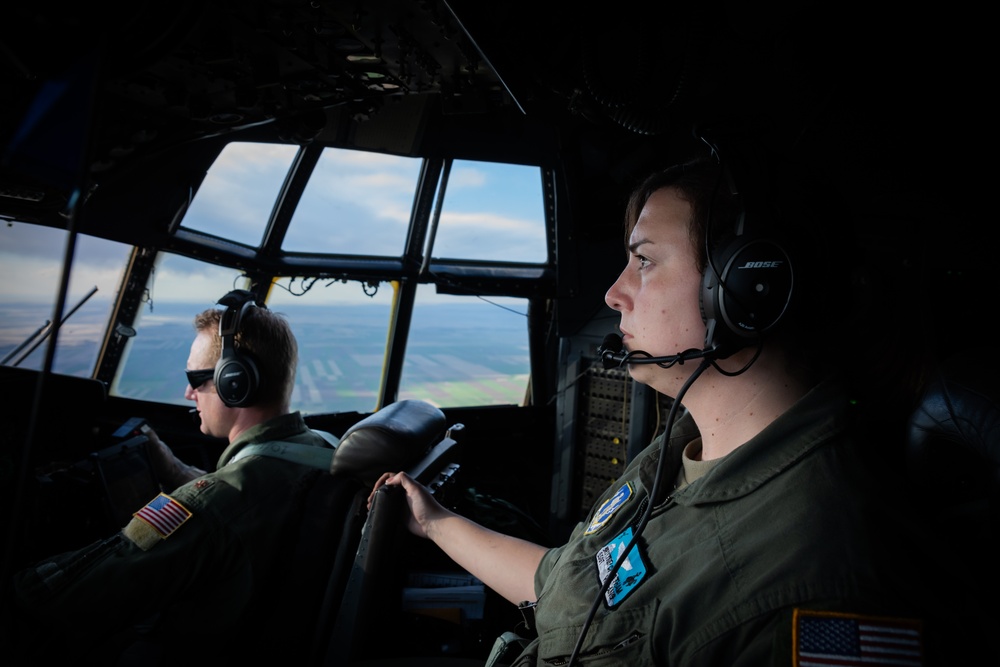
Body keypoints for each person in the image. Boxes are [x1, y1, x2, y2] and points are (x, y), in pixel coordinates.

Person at [369, 151, 975, 666]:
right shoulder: (682, 451)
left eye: (645, 260)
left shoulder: (826, 576)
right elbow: (567, 587)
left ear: (745, 288)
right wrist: (435, 522)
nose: (614, 293)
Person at [7, 290, 342, 665]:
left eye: (196, 379)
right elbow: (240, 498)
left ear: (236, 381)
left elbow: (62, 598)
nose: (188, 393)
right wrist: (170, 466)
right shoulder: (321, 447)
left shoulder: (210, 507)